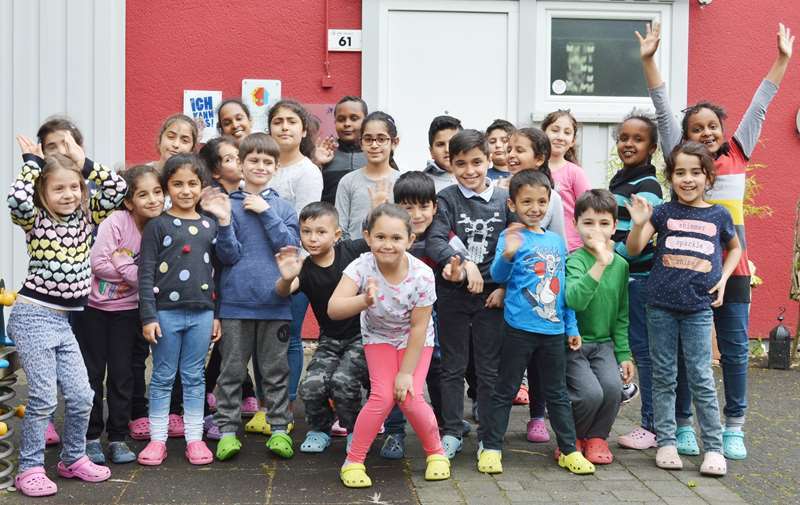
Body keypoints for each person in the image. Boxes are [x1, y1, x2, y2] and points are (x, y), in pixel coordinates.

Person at [638, 21, 793, 460]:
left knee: (736, 350)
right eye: (696, 128)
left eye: (712, 127)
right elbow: (664, 110)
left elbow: (761, 105)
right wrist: (649, 61)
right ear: (683, 140)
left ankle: (733, 426)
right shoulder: (680, 159)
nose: (705, 133)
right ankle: (682, 425)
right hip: (684, 272)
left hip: (734, 268)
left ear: (722, 132)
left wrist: (781, 60)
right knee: (687, 355)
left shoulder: (738, 152)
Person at [7, 131, 126, 496]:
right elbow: (17, 199)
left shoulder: (88, 220)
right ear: (44, 194)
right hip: (33, 317)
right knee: (43, 397)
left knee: (82, 394)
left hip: (63, 322)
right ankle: (28, 468)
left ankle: (72, 458)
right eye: (58, 189)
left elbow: (117, 188)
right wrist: (31, 165)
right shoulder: (36, 222)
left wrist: (81, 160)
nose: (69, 194)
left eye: (74, 187)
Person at [627, 142, 742, 476]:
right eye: (680, 173)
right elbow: (634, 250)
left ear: (708, 177)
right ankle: (666, 442)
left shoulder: (719, 215)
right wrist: (638, 224)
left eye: (695, 172)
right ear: (670, 177)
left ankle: (715, 449)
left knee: (701, 377)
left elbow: (734, 248)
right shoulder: (662, 212)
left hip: (697, 309)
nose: (687, 179)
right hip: (660, 307)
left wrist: (722, 280)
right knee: (664, 377)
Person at [477, 169, 593, 476]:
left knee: (557, 393)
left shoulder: (556, 241)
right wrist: (509, 255)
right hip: (518, 330)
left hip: (553, 331)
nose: (535, 208)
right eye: (527, 201)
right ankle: (490, 447)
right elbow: (499, 277)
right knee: (506, 389)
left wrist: (572, 326)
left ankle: (569, 450)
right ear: (512, 204)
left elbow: (564, 289)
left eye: (542, 201)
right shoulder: (510, 236)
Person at [329, 204, 449, 488]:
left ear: (410, 240)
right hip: (378, 337)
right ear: (368, 237)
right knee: (382, 397)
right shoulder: (361, 266)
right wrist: (364, 301)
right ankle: (354, 460)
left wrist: (406, 372)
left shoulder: (421, 275)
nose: (387, 244)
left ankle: (436, 453)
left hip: (414, 339)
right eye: (380, 237)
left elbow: (420, 326)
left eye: (396, 238)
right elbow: (334, 308)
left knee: (409, 395)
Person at [210, 133, 300, 461]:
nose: (260, 166)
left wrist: (265, 212)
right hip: (235, 306)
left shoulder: (283, 207)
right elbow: (227, 256)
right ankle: (228, 431)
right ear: (241, 165)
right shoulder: (227, 205)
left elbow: (289, 249)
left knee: (275, 372)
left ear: (276, 167)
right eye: (253, 160)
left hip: (276, 306)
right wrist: (222, 221)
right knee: (231, 371)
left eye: (267, 162)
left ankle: (279, 430)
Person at [426, 129, 509, 458]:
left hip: (492, 297)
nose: (470, 170)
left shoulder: (505, 199)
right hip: (454, 293)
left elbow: (518, 241)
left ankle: (489, 438)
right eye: (461, 164)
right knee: (452, 367)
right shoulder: (447, 198)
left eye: (477, 162)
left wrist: (504, 286)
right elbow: (435, 240)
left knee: (489, 370)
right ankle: (451, 431)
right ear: (451, 165)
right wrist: (462, 264)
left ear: (490, 160)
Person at [73, 165, 164, 466]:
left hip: (129, 312)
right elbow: (98, 263)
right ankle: (89, 437)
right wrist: (141, 275)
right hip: (95, 311)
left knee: (123, 375)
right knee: (92, 374)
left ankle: (117, 437)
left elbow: (159, 277)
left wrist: (124, 266)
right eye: (143, 194)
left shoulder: (162, 227)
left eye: (157, 192)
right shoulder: (116, 221)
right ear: (128, 201)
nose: (152, 199)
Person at [136, 153, 221, 466]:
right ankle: (157, 440)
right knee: (161, 376)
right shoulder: (157, 226)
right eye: (177, 184)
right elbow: (145, 273)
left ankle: (194, 440)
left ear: (202, 186)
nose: (185, 190)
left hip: (202, 313)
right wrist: (148, 316)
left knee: (194, 376)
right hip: (165, 314)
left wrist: (218, 315)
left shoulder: (210, 225)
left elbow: (220, 273)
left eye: (192, 184)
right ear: (167, 187)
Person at [381, 172, 468, 459]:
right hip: (397, 324)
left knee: (438, 368)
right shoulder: (394, 240)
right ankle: (395, 431)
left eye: (423, 206)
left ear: (435, 207)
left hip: (437, 319)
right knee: (396, 375)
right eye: (407, 207)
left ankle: (446, 422)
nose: (417, 215)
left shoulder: (444, 237)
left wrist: (458, 270)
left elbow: (461, 261)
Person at [274, 202, 369, 454]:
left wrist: (379, 207)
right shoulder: (303, 269)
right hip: (329, 339)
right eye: (306, 232)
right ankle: (319, 429)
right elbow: (284, 291)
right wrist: (285, 277)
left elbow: (379, 241)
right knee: (311, 386)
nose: (313, 238)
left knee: (343, 382)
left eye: (320, 232)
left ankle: (354, 431)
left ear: (336, 235)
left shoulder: (352, 250)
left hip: (361, 336)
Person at [258, 99, 323, 433]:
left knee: (290, 338)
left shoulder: (307, 172)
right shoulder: (260, 165)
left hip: (294, 266)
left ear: (303, 130)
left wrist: (291, 266)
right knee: (261, 340)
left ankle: (287, 403)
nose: (284, 127)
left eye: (291, 122)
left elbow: (305, 226)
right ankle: (264, 406)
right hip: (258, 266)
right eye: (278, 121)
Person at [609, 112, 666, 450]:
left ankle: (652, 425)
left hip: (638, 279)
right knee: (627, 344)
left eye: (638, 139)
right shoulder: (622, 180)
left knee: (643, 351)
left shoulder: (648, 186)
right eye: (624, 138)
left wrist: (607, 255)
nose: (628, 144)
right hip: (622, 276)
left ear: (653, 147)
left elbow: (640, 236)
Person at [506, 127, 567, 442]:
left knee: (542, 362)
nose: (511, 154)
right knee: (509, 359)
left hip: (541, 293)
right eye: (509, 148)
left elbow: (558, 244)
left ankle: (538, 416)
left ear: (540, 158)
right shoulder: (500, 190)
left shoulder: (551, 199)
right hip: (507, 288)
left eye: (520, 149)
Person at [565, 189, 634, 465]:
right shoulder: (575, 260)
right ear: (576, 224)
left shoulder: (621, 266)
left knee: (613, 389)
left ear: (615, 227)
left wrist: (624, 353)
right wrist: (599, 264)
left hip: (604, 344)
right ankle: (572, 438)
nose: (597, 230)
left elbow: (621, 313)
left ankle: (596, 437)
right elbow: (575, 300)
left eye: (604, 223)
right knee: (589, 394)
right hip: (575, 344)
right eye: (589, 223)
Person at [336, 111, 403, 240]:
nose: (374, 145)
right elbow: (341, 229)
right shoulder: (348, 181)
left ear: (394, 142)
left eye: (381, 139)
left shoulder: (402, 181)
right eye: (368, 139)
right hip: (353, 254)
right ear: (361, 143)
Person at [541, 110, 591, 252]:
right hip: (538, 244)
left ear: (573, 141)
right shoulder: (534, 168)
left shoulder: (575, 173)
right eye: (555, 130)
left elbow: (588, 209)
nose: (560, 137)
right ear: (544, 133)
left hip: (571, 247)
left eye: (567, 133)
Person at [315, 96, 369, 204]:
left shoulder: (375, 154)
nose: (347, 124)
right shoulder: (326, 154)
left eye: (354, 118)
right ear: (334, 122)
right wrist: (316, 164)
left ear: (366, 121)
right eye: (341, 119)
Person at [422, 115, 461, 192]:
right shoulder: (421, 183)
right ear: (431, 152)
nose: (447, 150)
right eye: (440, 144)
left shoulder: (477, 177)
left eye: (453, 143)